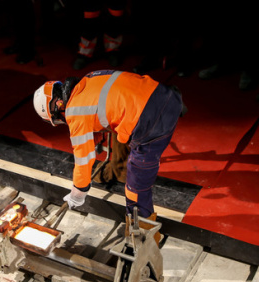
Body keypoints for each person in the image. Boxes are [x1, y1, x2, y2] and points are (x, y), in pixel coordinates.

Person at [33, 70, 184, 219]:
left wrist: (78, 193)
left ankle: (142, 228)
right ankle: (117, 169)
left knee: (136, 184)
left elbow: (83, 159)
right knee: (123, 135)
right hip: (165, 94)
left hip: (152, 120)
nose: (63, 120)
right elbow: (107, 105)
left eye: (58, 119)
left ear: (58, 105)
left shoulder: (74, 111)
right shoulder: (89, 79)